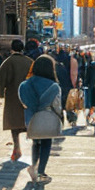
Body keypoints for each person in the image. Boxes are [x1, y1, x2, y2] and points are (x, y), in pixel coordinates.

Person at [20, 54, 62, 183]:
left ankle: (34, 166)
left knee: (35, 142)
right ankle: (41, 171)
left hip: (31, 119)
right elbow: (57, 105)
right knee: (46, 143)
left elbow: (23, 102)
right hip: (47, 118)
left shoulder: (24, 85)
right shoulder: (54, 86)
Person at [0, 39, 31, 161]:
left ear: (12, 48)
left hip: (12, 96)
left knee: (14, 124)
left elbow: (2, 80)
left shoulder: (7, 63)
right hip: (28, 97)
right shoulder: (30, 62)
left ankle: (17, 147)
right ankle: (33, 146)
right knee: (27, 121)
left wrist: (1, 94)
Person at [82, 54, 95, 133]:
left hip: (90, 88)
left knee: (89, 105)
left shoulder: (89, 67)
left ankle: (91, 121)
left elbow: (87, 78)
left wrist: (85, 84)